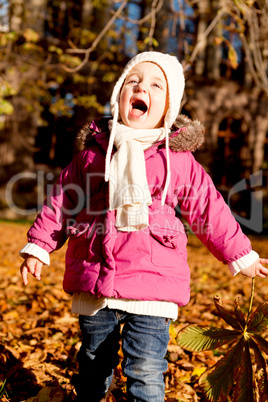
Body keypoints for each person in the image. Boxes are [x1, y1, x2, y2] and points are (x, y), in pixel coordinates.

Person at [19, 52, 268, 402]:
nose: (141, 87)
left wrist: (241, 255)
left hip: (154, 285)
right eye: (132, 81)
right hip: (96, 282)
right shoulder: (93, 155)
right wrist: (39, 246)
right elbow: (62, 202)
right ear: (120, 94)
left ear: (167, 107)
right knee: (92, 365)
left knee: (146, 369)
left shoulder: (177, 160)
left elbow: (209, 208)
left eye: (155, 85)